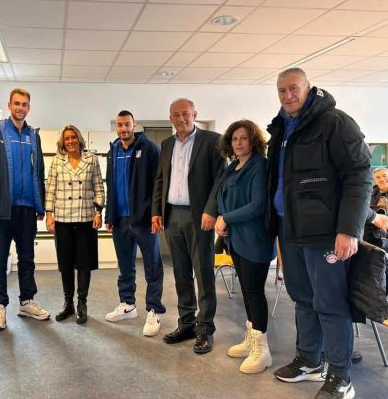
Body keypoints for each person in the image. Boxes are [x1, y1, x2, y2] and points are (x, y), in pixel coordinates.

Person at [267, 67, 371, 399]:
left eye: (293, 88)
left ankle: (341, 376)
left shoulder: (335, 122)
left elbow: (360, 175)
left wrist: (348, 229)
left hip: (325, 234)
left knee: (329, 304)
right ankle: (310, 360)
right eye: (281, 90)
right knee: (303, 299)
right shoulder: (281, 127)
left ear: (309, 88)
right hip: (290, 229)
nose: (288, 95)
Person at [152, 98, 225, 354]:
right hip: (172, 215)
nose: (181, 119)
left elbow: (219, 180)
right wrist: (156, 211)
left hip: (199, 217)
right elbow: (160, 180)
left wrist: (211, 210)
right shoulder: (167, 144)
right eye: (176, 115)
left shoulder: (213, 141)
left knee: (203, 274)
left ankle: (205, 329)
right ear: (170, 118)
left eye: (185, 114)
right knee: (181, 273)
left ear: (195, 114)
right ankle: (186, 324)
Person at [0, 88, 50, 331]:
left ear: (29, 107)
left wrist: (40, 204)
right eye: (16, 103)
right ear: (9, 105)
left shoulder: (33, 135)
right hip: (1, 209)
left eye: (24, 104)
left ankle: (27, 302)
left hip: (27, 209)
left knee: (27, 258)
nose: (20, 108)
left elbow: (38, 171)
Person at [215, 120, 275, 374]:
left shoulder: (259, 165)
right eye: (234, 139)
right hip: (236, 239)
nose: (238, 143)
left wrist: (226, 218)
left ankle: (263, 350)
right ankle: (252, 337)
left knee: (254, 291)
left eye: (243, 138)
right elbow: (223, 196)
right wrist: (223, 220)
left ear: (253, 141)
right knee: (246, 291)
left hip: (255, 240)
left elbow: (258, 204)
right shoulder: (234, 167)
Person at [104, 110, 166, 337]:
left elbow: (159, 183)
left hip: (144, 219)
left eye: (127, 124)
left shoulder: (149, 149)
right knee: (125, 265)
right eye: (120, 125)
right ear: (116, 126)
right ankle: (128, 304)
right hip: (120, 219)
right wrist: (109, 215)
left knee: (152, 265)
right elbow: (111, 185)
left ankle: (154, 310)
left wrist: (156, 213)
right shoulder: (113, 151)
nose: (124, 129)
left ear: (134, 125)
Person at [44, 125, 104, 324]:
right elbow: (50, 189)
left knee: (84, 264)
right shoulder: (57, 161)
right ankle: (68, 303)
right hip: (63, 219)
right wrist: (49, 215)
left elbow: (98, 187)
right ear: (63, 142)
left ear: (79, 139)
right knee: (66, 264)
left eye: (73, 137)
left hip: (86, 218)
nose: (70, 141)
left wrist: (98, 211)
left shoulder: (91, 159)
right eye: (66, 138)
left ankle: (81, 303)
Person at [363, 167, 388, 250]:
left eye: (384, 175)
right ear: (375, 181)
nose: (382, 179)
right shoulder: (369, 193)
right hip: (373, 236)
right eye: (378, 177)